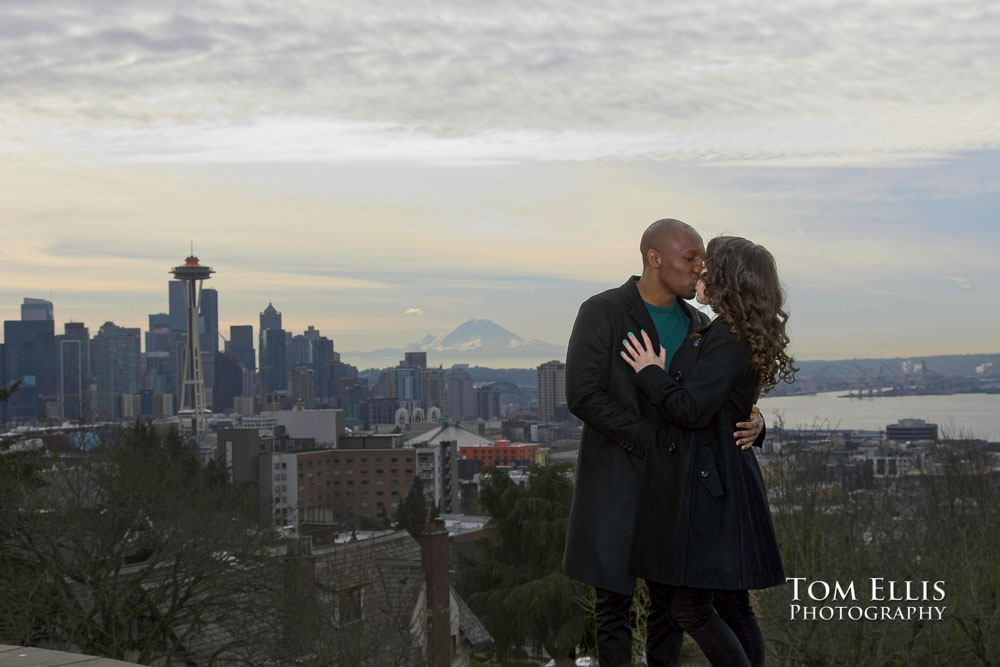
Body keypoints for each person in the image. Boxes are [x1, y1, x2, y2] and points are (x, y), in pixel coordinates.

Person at [563, 220, 765, 667]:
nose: (700, 268)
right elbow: (583, 395)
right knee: (612, 605)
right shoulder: (603, 311)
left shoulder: (700, 322)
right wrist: (656, 441)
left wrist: (758, 422)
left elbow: (716, 396)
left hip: (679, 488)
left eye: (702, 260)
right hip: (617, 479)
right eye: (690, 258)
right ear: (655, 258)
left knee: (671, 610)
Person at [620, 235, 796, 666]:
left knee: (691, 609)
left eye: (708, 264)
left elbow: (692, 409)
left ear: (728, 279)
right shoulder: (727, 332)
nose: (699, 269)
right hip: (719, 483)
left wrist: (650, 373)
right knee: (732, 606)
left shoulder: (728, 337)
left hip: (710, 492)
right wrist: (756, 422)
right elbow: (723, 407)